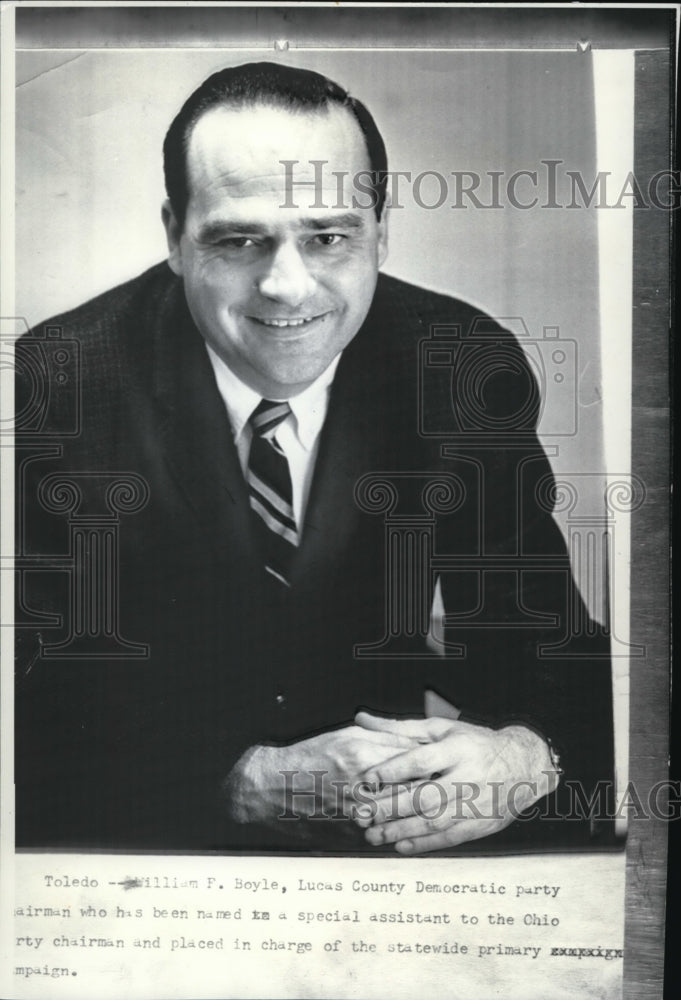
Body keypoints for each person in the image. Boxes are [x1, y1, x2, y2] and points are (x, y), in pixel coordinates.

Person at [14, 62, 615, 854]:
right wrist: (238, 784)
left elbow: (550, 658)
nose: (287, 287)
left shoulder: (460, 366)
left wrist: (527, 756)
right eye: (238, 240)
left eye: (328, 237)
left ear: (382, 231)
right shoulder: (55, 385)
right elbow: (22, 711)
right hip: (139, 847)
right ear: (173, 235)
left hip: (387, 855)